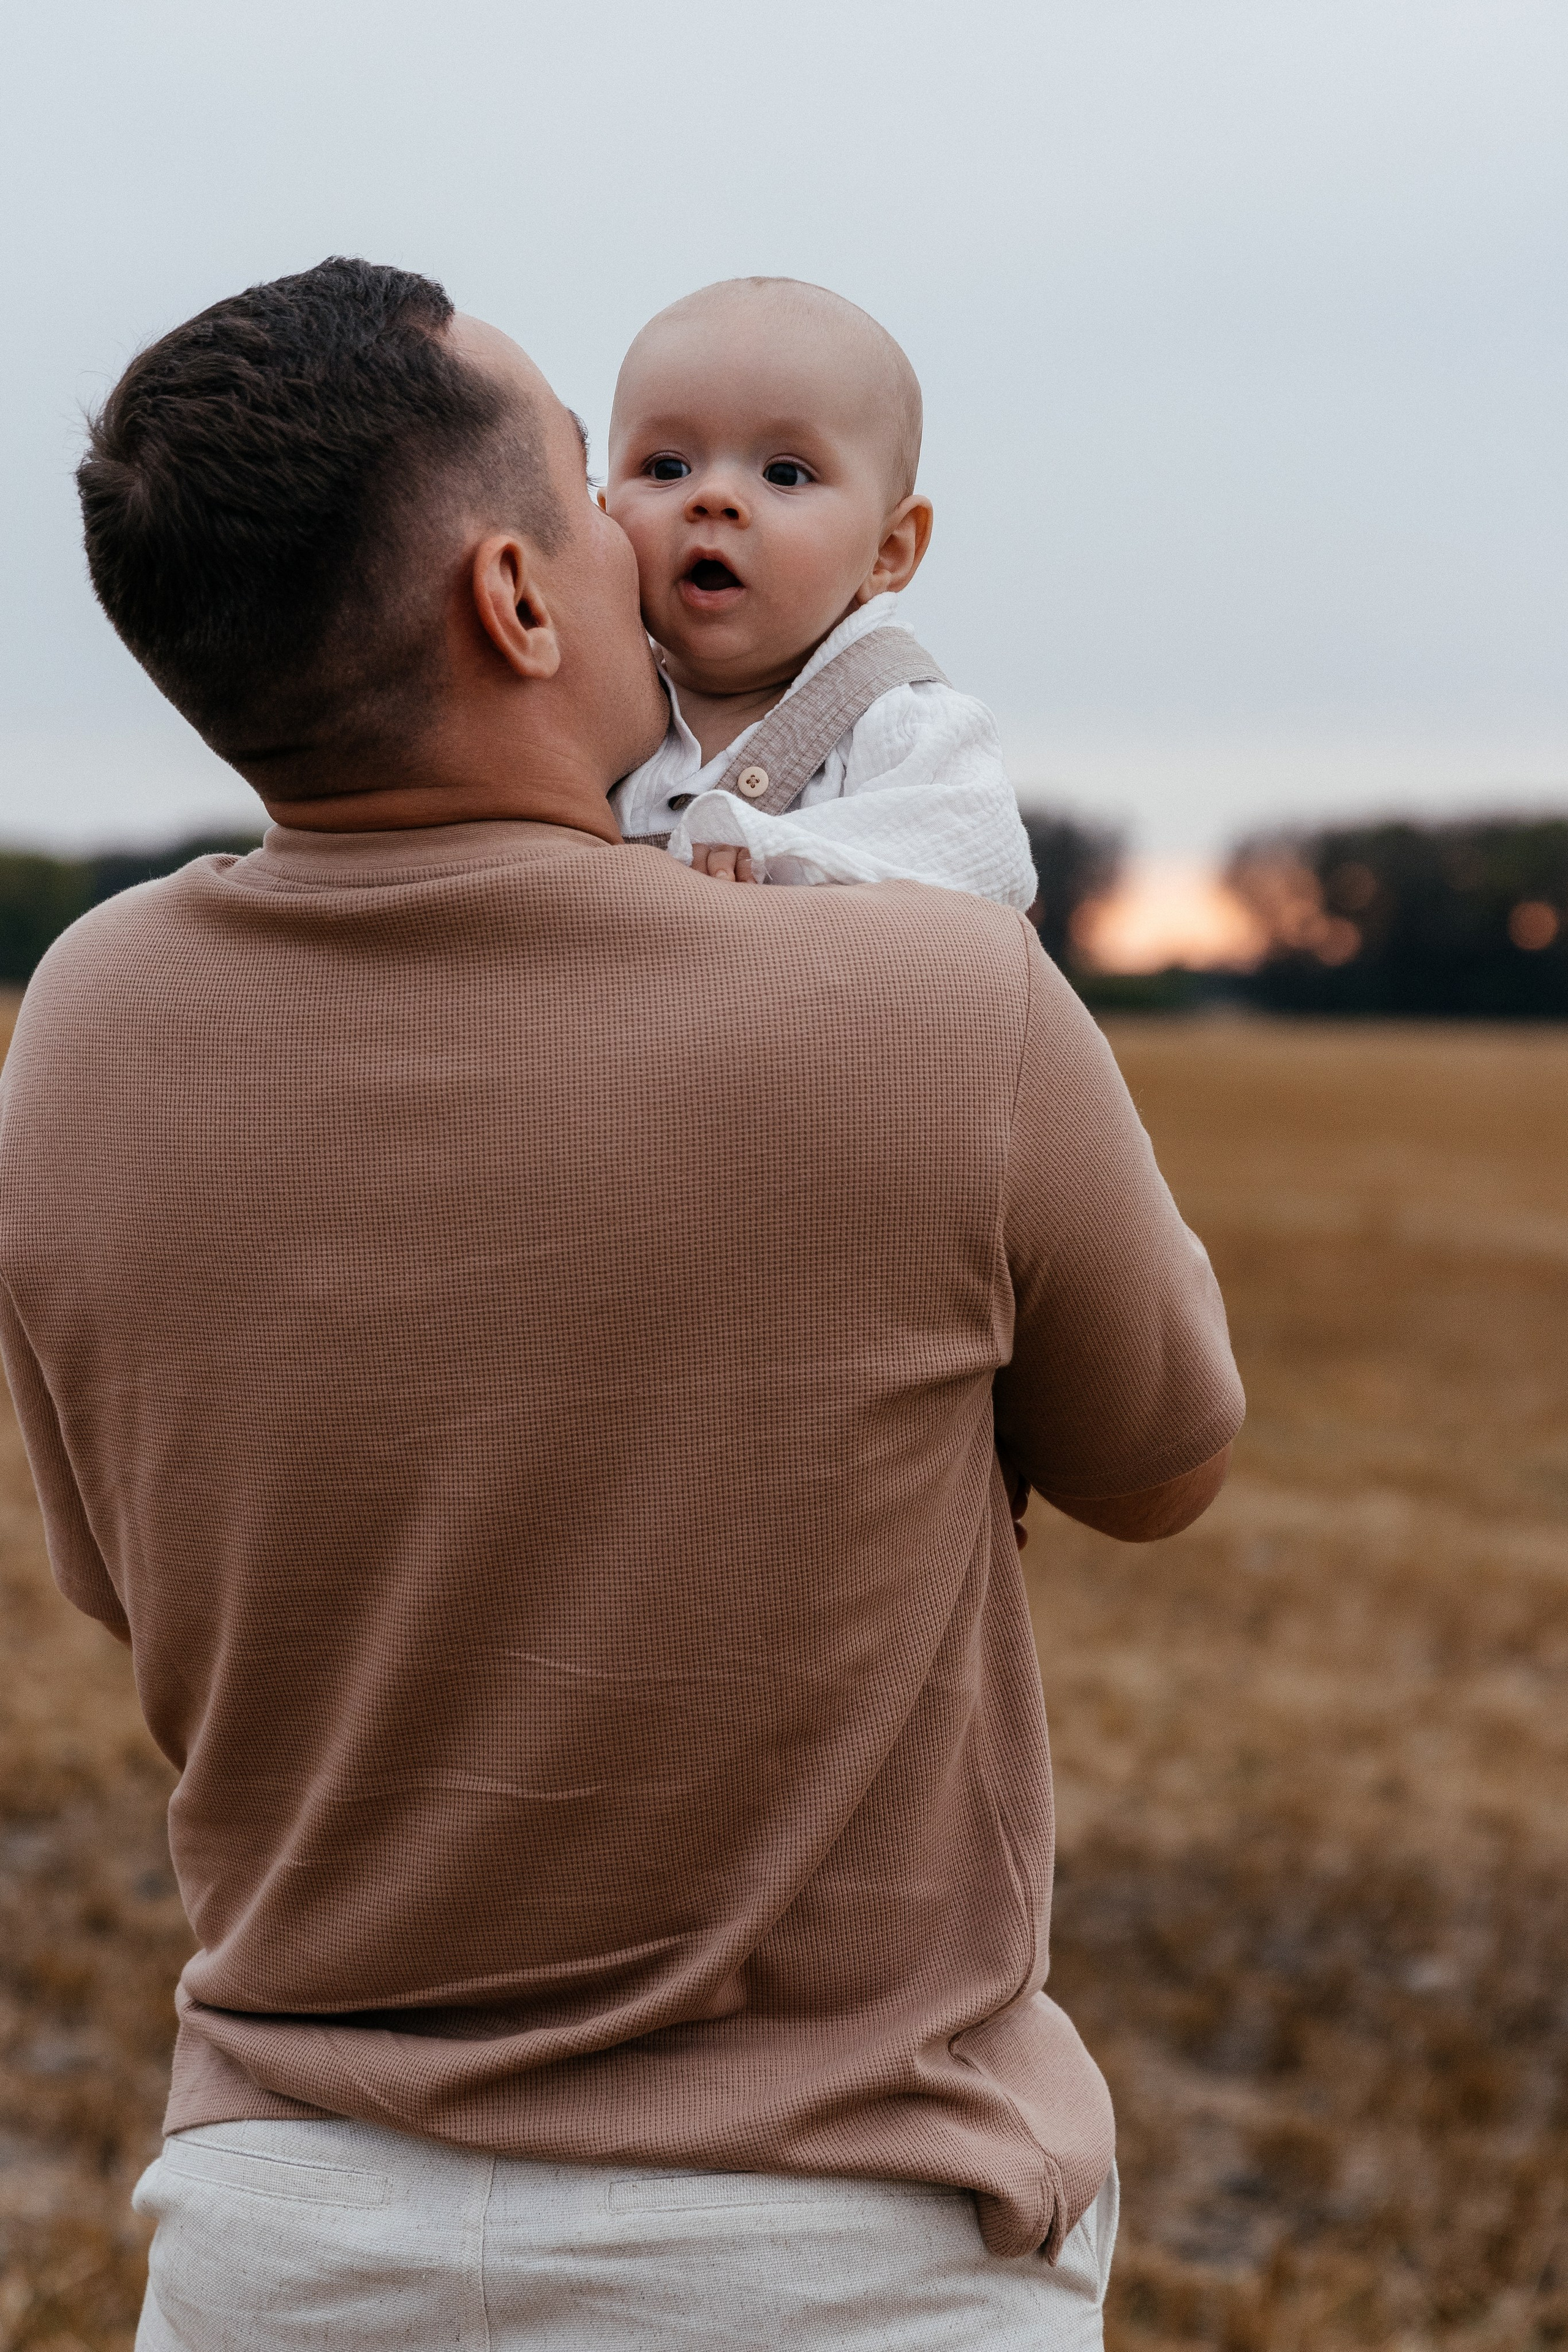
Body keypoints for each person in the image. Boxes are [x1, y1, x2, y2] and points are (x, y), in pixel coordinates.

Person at [0, 258, 1244, 2350]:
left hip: (282, 2244)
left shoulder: (88, 1023)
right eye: (600, 485)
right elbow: (1170, 1455)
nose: (654, 536)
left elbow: (138, 1584)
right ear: (514, 600)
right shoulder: (937, 996)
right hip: (837, 2258)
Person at [606, 276, 1039, 906]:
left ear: (887, 552)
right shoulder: (588, 707)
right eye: (667, 468)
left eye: (785, 473)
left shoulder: (899, 719)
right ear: (599, 518)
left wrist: (771, 848)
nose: (714, 498)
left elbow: (982, 859)